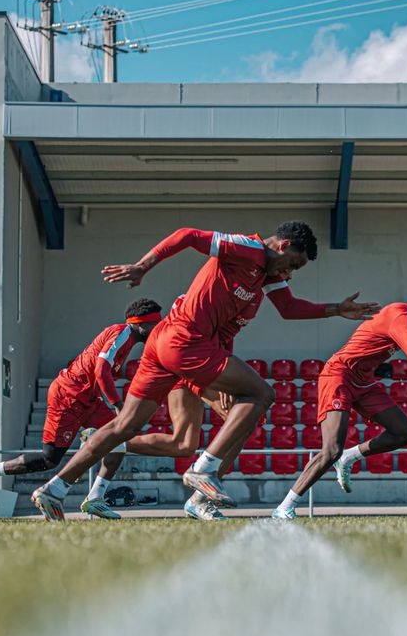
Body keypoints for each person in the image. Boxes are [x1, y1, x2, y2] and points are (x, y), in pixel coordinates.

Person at [46, 222, 380, 518]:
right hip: (185, 343)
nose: (291, 273)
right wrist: (142, 266)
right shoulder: (246, 248)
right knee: (261, 394)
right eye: (293, 264)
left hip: (172, 346)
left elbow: (289, 308)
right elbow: (188, 235)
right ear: (283, 246)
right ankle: (204, 473)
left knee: (130, 427)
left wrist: (336, 309)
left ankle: (55, 489)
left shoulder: (268, 274)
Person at [273, 280, 407, 519]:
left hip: (363, 381)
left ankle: (349, 456)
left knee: (404, 432)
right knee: (331, 449)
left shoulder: (405, 316)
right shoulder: (402, 316)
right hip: (339, 375)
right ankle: (284, 508)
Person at [0, 298, 162, 521]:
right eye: (155, 324)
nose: (158, 329)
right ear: (140, 323)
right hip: (68, 395)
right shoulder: (122, 333)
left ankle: (95, 498)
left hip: (89, 399)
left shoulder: (129, 342)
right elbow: (101, 369)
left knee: (119, 440)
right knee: (49, 459)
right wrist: (117, 405)